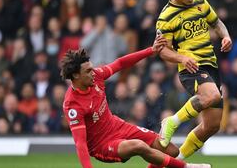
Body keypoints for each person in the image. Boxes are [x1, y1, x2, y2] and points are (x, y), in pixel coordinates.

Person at [61, 35, 211, 168]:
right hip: (102, 145)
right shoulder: (73, 105)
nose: (92, 72)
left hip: (117, 126)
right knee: (139, 146)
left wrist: (150, 50)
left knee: (171, 150)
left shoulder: (96, 76)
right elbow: (80, 144)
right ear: (75, 75)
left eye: (91, 68)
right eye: (87, 71)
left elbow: (120, 63)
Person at [156, 0, 233, 159]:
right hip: (190, 67)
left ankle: (177, 160)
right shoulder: (166, 17)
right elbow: (162, 50)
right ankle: (172, 122)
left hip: (211, 65)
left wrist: (226, 36)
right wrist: (182, 58)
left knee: (212, 125)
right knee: (212, 95)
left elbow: (217, 23)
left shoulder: (200, 2)